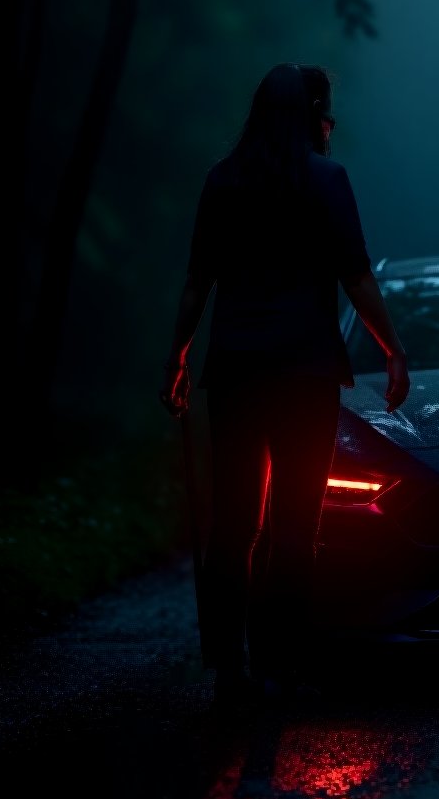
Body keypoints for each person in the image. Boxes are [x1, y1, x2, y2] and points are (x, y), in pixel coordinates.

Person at [159, 63, 409, 705]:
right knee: (296, 522)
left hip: (238, 370)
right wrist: (393, 352)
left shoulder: (222, 181)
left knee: (234, 521)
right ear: (309, 116)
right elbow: (356, 277)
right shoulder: (327, 180)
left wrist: (178, 357)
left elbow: (196, 282)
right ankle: (278, 664)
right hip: (305, 371)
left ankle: (227, 668)